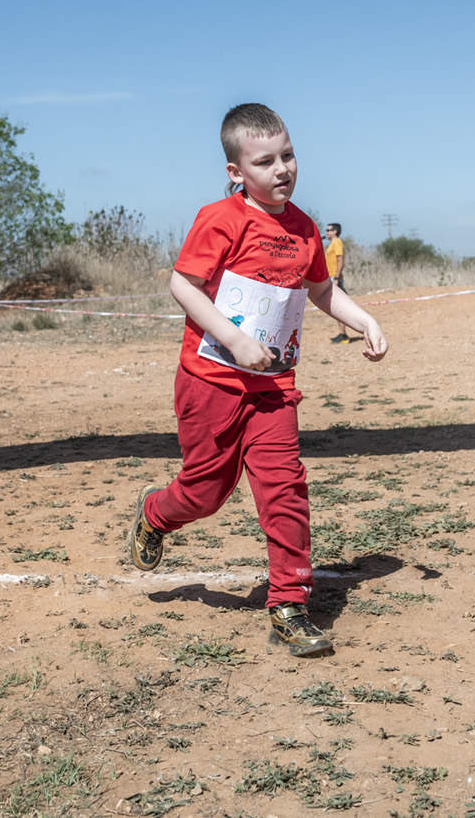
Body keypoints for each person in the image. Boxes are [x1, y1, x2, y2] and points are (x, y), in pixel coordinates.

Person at [127, 103, 388, 657]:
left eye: (287, 155)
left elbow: (321, 290)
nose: (282, 169)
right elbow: (183, 284)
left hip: (273, 389)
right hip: (211, 382)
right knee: (205, 492)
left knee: (284, 488)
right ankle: (156, 513)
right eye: (265, 161)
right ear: (236, 172)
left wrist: (363, 320)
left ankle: (289, 606)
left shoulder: (304, 228)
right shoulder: (220, 219)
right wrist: (235, 339)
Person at [324, 222, 351, 343]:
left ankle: (343, 335)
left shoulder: (337, 243)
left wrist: (336, 278)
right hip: (331, 278)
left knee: (339, 306)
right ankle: (342, 333)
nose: (326, 232)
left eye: (328, 230)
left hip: (335, 278)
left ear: (335, 231)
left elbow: (340, 260)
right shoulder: (332, 244)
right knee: (336, 307)